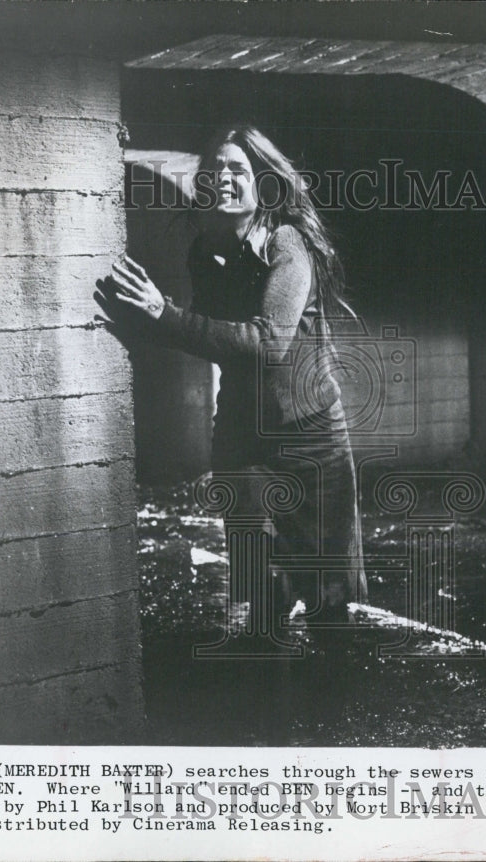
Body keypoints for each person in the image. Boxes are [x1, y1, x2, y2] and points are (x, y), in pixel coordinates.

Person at [99, 126, 367, 639]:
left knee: (329, 597)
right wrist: (143, 325)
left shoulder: (287, 244)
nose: (223, 179)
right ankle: (266, 702)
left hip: (312, 437)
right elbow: (209, 336)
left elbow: (266, 345)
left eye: (237, 170)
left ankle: (331, 702)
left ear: (263, 184)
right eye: (213, 171)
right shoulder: (205, 250)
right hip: (243, 437)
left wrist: (163, 314)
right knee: (259, 584)